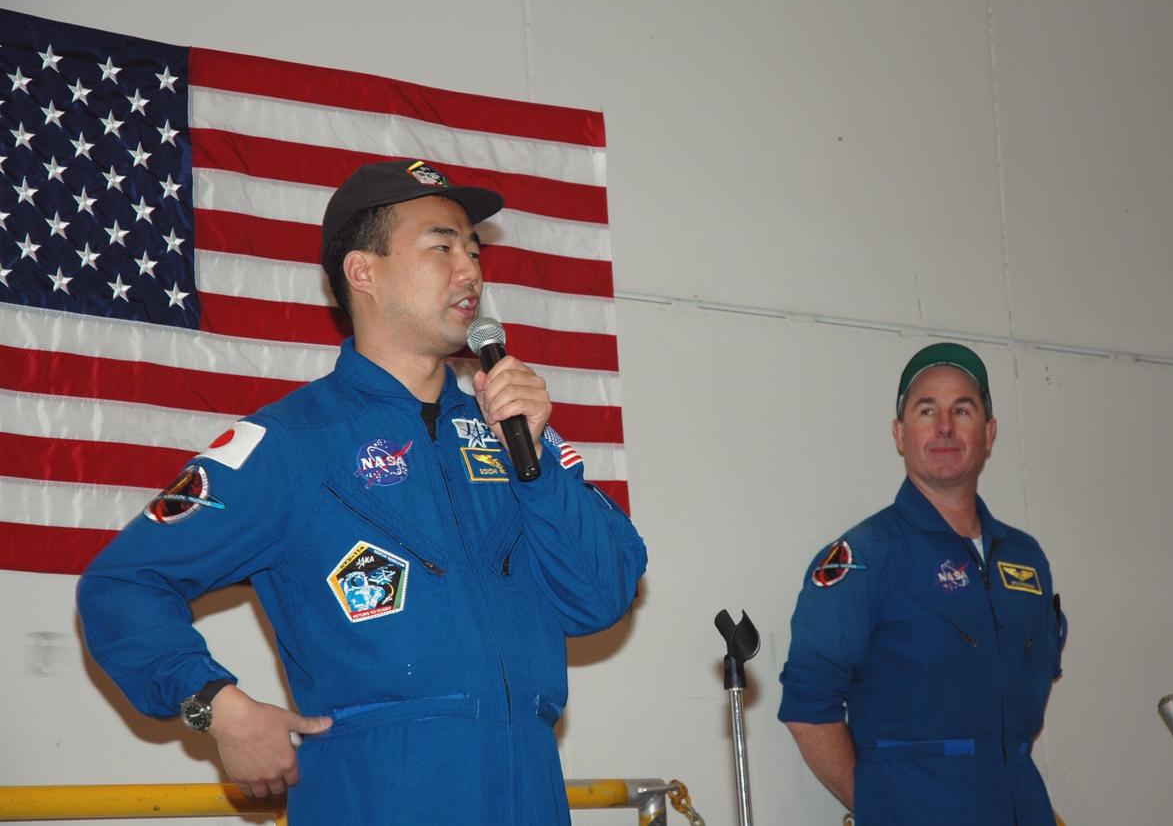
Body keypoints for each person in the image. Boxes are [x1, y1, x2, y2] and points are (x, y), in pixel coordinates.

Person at [77, 159, 648, 825]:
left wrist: (539, 466)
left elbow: (602, 593)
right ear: (362, 271)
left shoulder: (515, 436)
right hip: (377, 786)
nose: (470, 270)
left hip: (528, 784)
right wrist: (216, 704)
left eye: (473, 250)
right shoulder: (291, 444)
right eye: (442, 247)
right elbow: (120, 584)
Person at [778, 343, 1065, 825]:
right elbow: (808, 708)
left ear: (989, 433)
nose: (945, 427)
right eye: (926, 410)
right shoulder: (863, 558)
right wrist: (881, 805)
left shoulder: (1026, 560)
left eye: (963, 410)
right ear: (900, 433)